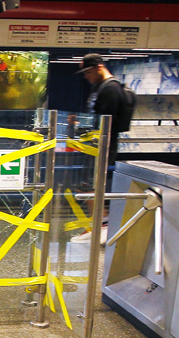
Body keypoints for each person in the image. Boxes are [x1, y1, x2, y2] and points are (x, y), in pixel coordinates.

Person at [70, 53, 127, 244]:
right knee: (88, 184)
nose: (86, 76)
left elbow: (107, 122)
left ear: (99, 67)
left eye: (88, 72)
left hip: (102, 145)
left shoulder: (110, 89)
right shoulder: (100, 87)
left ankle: (102, 224)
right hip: (94, 144)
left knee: (91, 184)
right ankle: (99, 223)